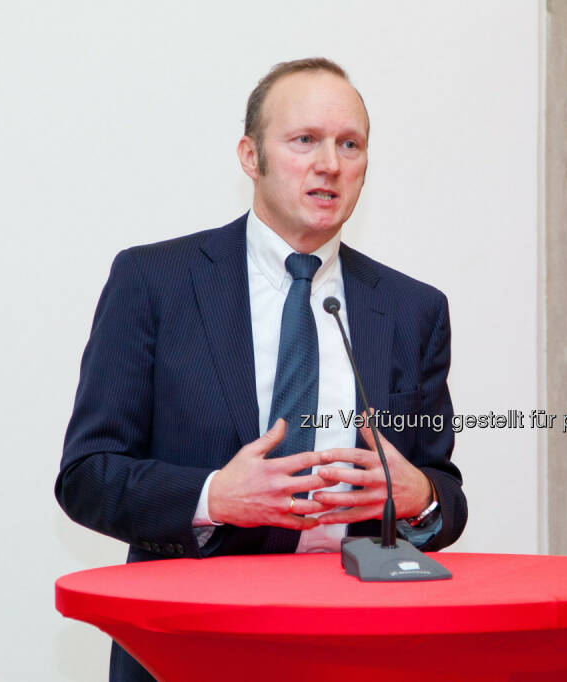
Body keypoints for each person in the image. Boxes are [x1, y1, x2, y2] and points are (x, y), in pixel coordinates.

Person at [55, 57, 467, 682]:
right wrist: (214, 496)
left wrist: (420, 500)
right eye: (305, 140)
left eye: (349, 144)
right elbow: (88, 476)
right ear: (251, 156)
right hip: (193, 641)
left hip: (361, 643)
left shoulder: (412, 310)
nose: (330, 163)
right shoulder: (155, 283)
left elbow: (444, 494)